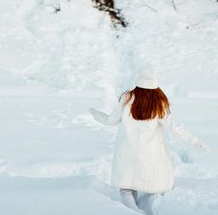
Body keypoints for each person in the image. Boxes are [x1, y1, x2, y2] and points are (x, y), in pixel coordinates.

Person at [89, 67, 208, 214]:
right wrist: (195, 141)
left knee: (126, 186)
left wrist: (96, 114)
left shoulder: (127, 98)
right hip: (150, 152)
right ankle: (148, 206)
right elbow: (174, 129)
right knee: (151, 182)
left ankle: (133, 210)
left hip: (128, 150)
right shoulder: (159, 102)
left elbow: (110, 120)